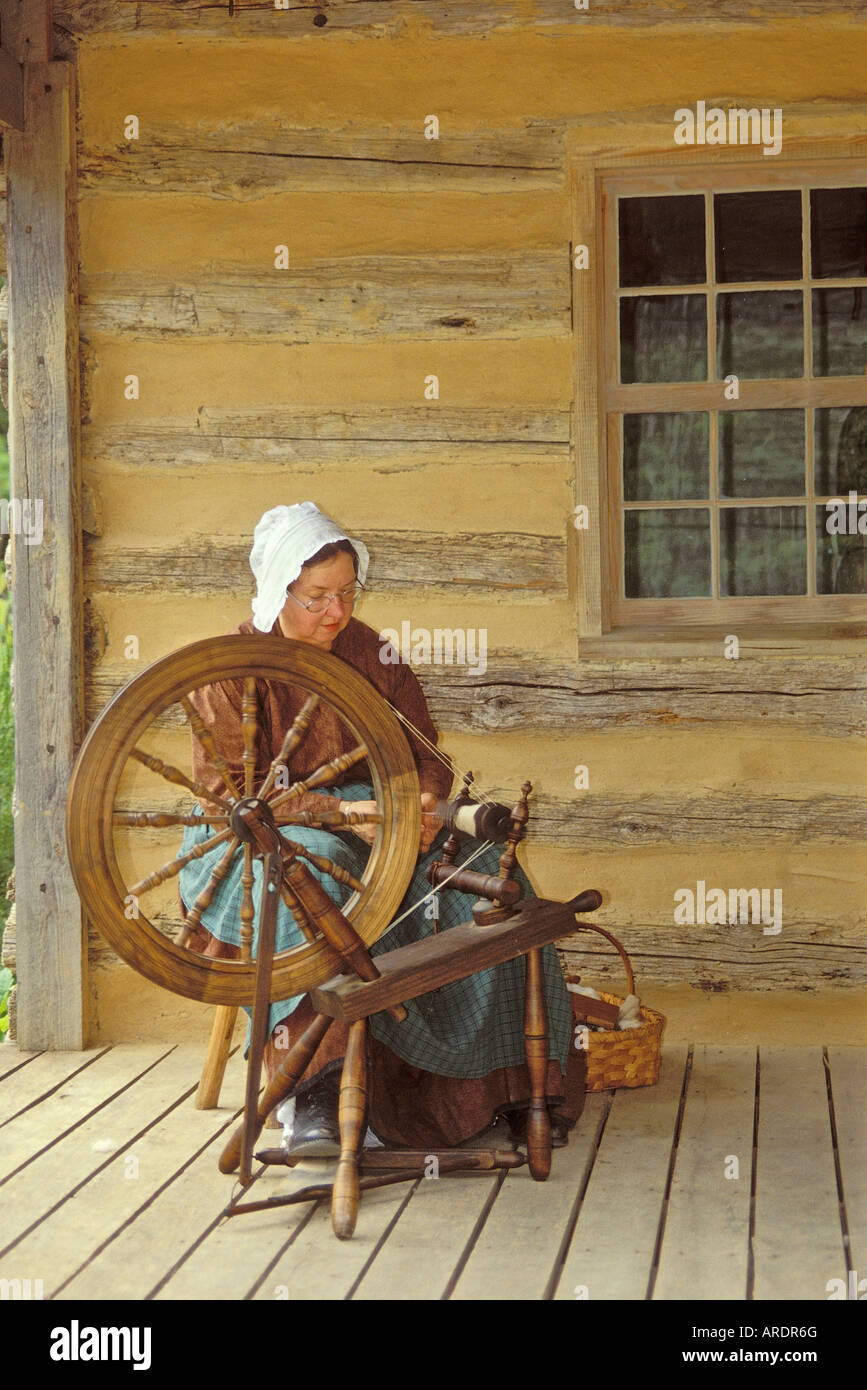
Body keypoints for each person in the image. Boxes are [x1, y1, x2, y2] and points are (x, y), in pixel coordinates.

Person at [178, 502, 586, 1155]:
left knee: (483, 866)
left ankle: (508, 1080)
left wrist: (420, 810)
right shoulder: (230, 672)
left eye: (345, 594)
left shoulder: (373, 651)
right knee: (304, 874)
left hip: (382, 817)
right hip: (259, 836)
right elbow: (234, 800)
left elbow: (426, 758)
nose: (335, 613)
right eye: (316, 599)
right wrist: (350, 816)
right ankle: (315, 1094)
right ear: (277, 591)